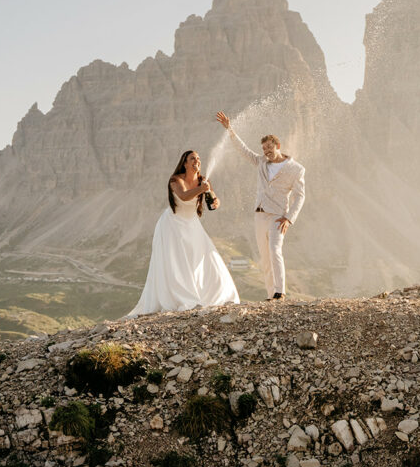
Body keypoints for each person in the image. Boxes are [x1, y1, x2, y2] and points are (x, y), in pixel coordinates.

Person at [127, 150, 240, 316]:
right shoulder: (175, 180)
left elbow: (214, 198)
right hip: (172, 225)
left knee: (207, 256)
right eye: (192, 158)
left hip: (192, 224)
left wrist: (216, 201)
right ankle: (182, 298)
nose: (197, 161)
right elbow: (184, 196)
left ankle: (216, 295)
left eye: (199, 158)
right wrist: (201, 189)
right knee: (177, 262)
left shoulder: (203, 180)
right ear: (185, 163)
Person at [215, 111, 306, 300]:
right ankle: (271, 294)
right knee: (264, 256)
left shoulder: (296, 169)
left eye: (270, 148)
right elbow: (244, 150)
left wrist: (289, 218)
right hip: (260, 214)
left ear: (278, 146)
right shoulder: (261, 162)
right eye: (264, 149)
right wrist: (230, 129)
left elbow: (300, 196)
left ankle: (280, 292)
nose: (267, 152)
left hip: (278, 216)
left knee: (275, 249)